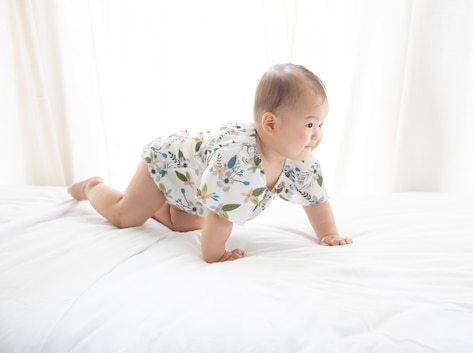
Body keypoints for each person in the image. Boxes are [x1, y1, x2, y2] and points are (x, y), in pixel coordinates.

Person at [68, 63, 353, 263]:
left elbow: (315, 200)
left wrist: (329, 235)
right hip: (171, 167)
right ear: (270, 124)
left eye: (321, 124)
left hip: (193, 188)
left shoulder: (300, 158)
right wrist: (216, 255)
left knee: (183, 223)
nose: (317, 135)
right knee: (126, 217)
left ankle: (160, 206)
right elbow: (220, 217)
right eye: (309, 124)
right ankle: (93, 186)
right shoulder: (239, 162)